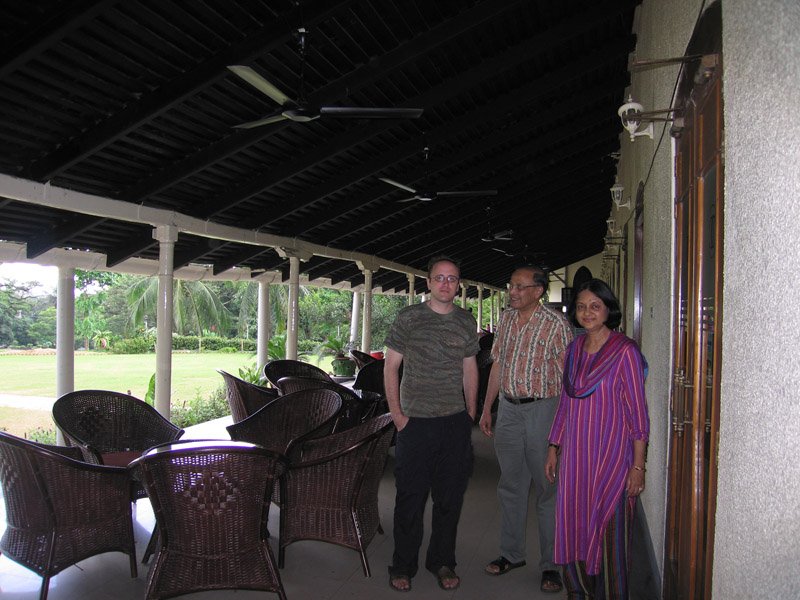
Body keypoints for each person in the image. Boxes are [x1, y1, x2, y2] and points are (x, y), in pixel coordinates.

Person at [545, 278, 649, 599]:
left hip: (611, 458)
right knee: (573, 521)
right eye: (581, 307)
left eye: (595, 306)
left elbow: (638, 415)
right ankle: (578, 589)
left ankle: (611, 592)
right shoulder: (574, 349)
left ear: (607, 310)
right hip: (576, 458)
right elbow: (565, 402)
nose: (587, 313)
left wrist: (638, 466)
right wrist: (553, 448)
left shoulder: (625, 351)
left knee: (610, 531)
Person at [384, 255, 479, 593]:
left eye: (451, 279)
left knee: (449, 499)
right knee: (409, 497)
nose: (445, 284)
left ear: (458, 284)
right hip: (415, 423)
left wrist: (469, 413)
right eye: (439, 278)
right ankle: (403, 564)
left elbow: (470, 368)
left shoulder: (466, 322)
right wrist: (398, 416)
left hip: (453, 422)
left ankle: (442, 561)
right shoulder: (409, 318)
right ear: (428, 282)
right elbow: (391, 368)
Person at [479, 265, 573, 593]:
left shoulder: (556, 325)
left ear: (538, 290)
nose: (513, 292)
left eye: (520, 286)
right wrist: (487, 407)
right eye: (511, 285)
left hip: (542, 410)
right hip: (508, 409)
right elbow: (498, 364)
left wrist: (559, 434)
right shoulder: (505, 320)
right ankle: (511, 553)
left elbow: (568, 384)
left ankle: (551, 565)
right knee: (510, 485)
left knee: (547, 489)